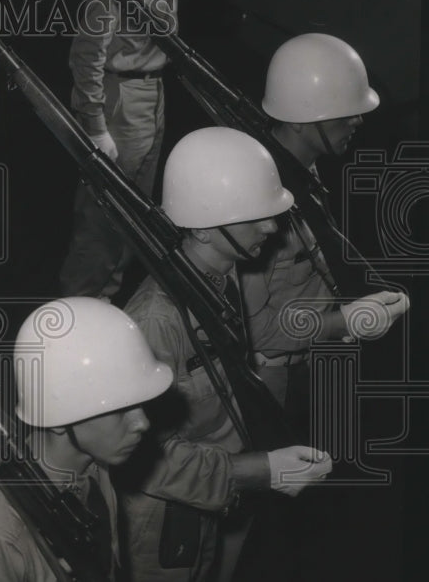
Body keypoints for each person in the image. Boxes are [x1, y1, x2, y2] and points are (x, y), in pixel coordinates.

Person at [119, 127, 333, 582]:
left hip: (212, 496)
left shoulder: (222, 278)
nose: (271, 227)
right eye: (255, 215)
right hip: (164, 520)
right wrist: (258, 471)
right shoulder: (155, 320)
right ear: (200, 227)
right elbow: (142, 458)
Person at [59, 0, 206, 300]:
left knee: (133, 224)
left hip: (153, 95)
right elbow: (88, 50)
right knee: (102, 229)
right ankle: (79, 318)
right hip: (120, 102)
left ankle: (108, 319)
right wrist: (95, 123)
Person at [240, 34, 409, 432]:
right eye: (344, 111)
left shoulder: (302, 170)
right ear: (300, 119)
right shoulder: (261, 200)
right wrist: (343, 322)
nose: (358, 121)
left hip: (310, 363)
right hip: (276, 379)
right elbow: (252, 326)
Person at [0, 297, 174, 582]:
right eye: (119, 410)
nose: (143, 423)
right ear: (57, 419)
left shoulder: (93, 469)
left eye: (139, 404)